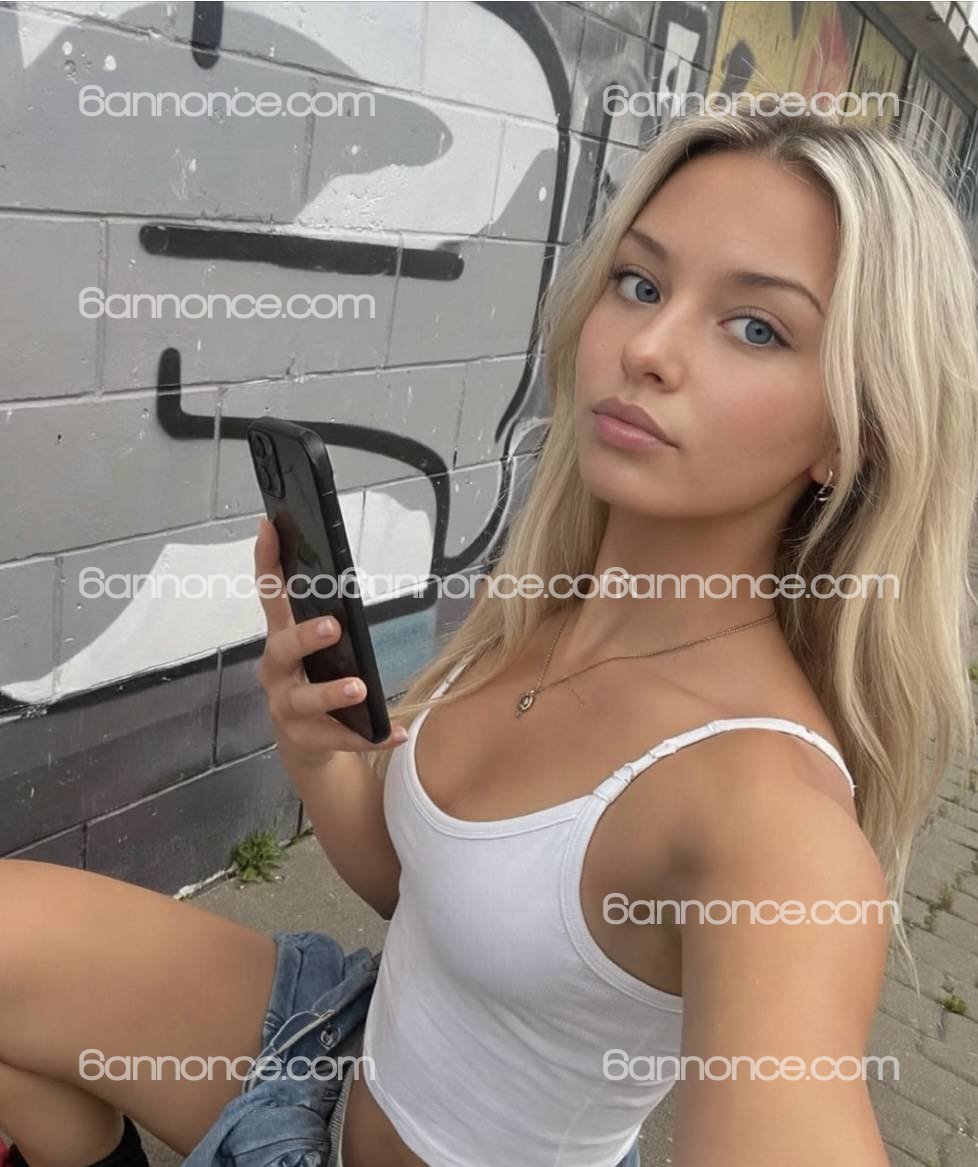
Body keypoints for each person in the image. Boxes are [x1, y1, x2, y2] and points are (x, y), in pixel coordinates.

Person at [2, 95, 977, 1167]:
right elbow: (426, 894)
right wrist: (317, 750)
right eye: (641, 284)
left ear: (851, 432)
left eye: (758, 327)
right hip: (332, 1047)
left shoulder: (774, 824)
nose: (649, 347)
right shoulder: (542, 614)